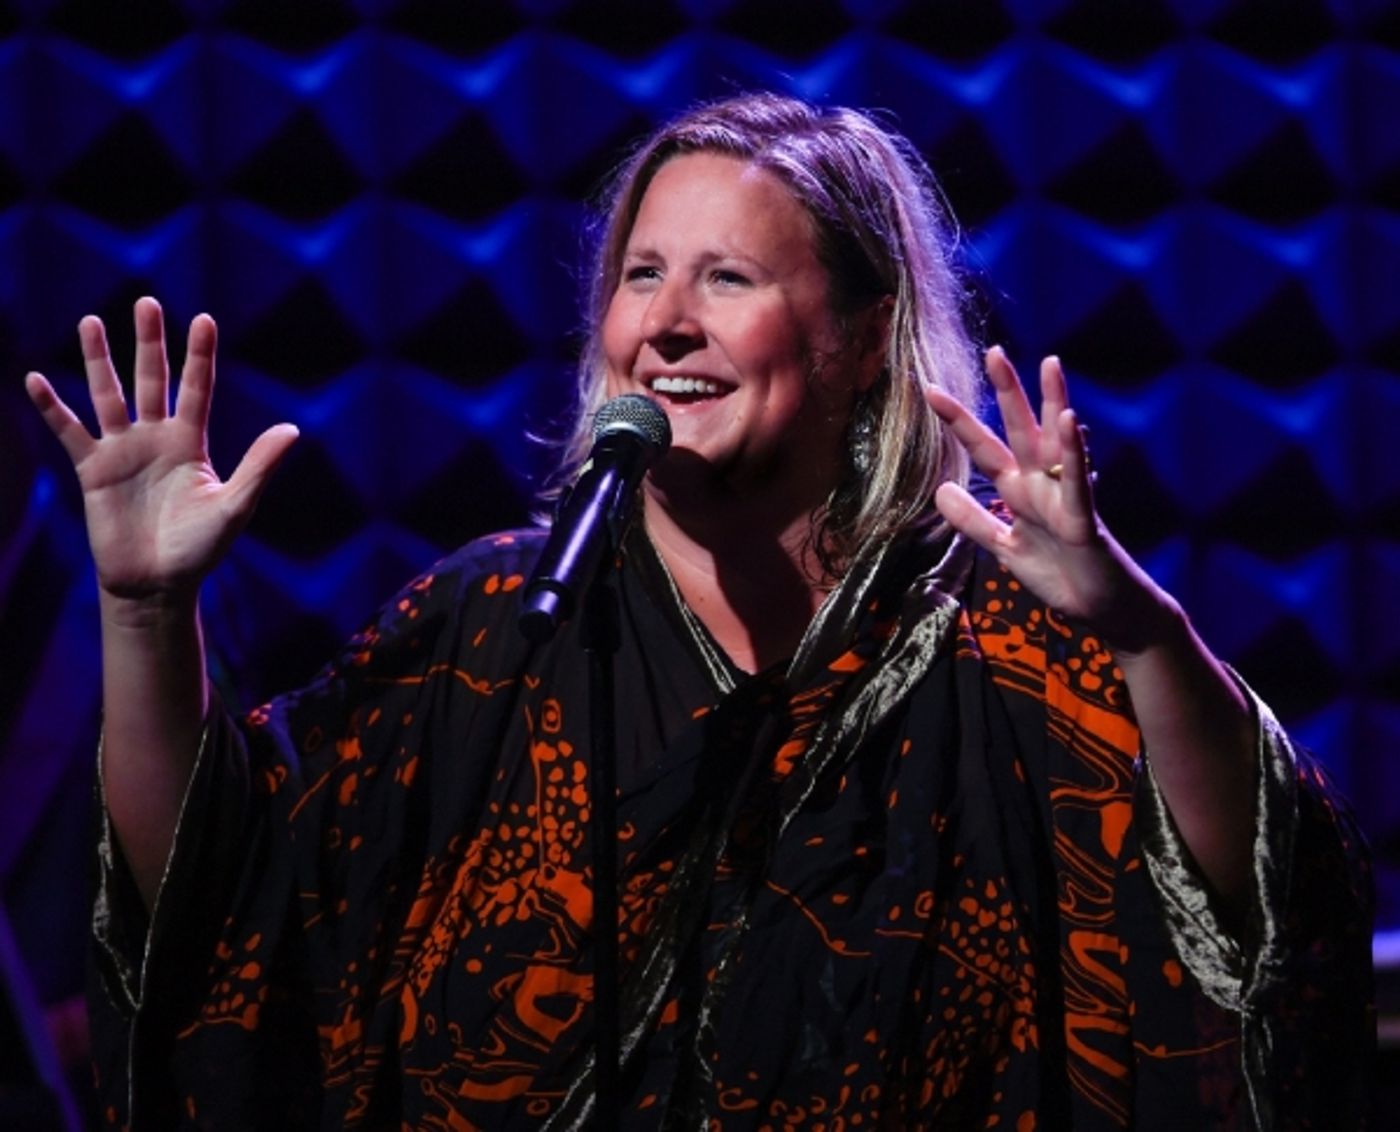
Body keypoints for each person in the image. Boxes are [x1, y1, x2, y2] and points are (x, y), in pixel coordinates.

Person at [25, 93, 1371, 1130]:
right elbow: (218, 907)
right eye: (640, 275)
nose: (664, 324)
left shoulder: (990, 642)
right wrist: (145, 614)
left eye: (726, 278)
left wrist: (1138, 634)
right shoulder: (490, 630)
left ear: (859, 338)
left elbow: (1250, 897)